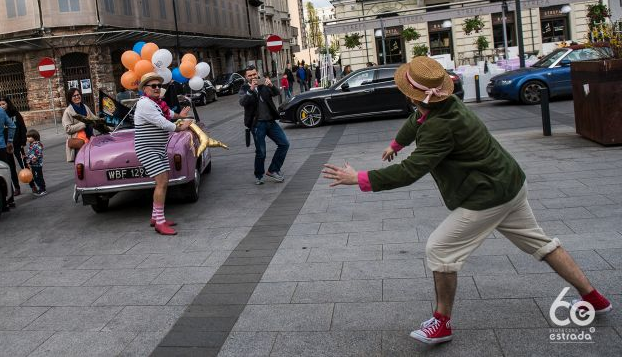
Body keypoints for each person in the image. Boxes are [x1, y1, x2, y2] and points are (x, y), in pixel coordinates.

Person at [322, 56, 612, 345]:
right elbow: (416, 120)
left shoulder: (441, 126)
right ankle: (595, 299)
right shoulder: (442, 105)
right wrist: (395, 144)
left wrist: (359, 178)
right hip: (510, 182)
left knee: (440, 250)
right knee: (541, 243)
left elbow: (410, 171)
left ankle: (442, 323)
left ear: (412, 95)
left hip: (488, 196)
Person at [134, 72, 193, 235]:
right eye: (153, 86)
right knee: (161, 182)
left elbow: (167, 114)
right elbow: (162, 122)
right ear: (144, 89)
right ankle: (160, 223)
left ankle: (156, 217)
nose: (157, 88)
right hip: (147, 148)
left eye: (159, 86)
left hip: (158, 148)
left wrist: (179, 116)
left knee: (164, 180)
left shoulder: (157, 103)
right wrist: (180, 126)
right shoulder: (145, 104)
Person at [239, 65, 290, 185]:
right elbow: (243, 102)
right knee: (261, 151)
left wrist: (271, 85)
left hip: (270, 121)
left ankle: (273, 169)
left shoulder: (264, 84)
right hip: (257, 124)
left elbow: (278, 93)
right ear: (246, 77)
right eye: (250, 75)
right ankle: (259, 175)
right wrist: (251, 90)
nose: (253, 77)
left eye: (254, 74)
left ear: (258, 73)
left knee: (284, 144)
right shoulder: (244, 88)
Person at [0, 96, 32, 193]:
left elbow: (22, 127)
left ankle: (32, 184)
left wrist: (23, 141)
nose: (1, 106)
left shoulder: (15, 113)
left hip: (17, 143)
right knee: (10, 167)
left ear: (8, 104)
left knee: (23, 164)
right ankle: (17, 188)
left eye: (3, 104)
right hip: (5, 145)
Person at [62, 88, 99, 162]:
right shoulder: (68, 111)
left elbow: (94, 118)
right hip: (79, 142)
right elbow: (68, 129)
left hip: (89, 139)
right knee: (81, 163)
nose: (77, 97)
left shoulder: (84, 107)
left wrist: (102, 121)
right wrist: (83, 124)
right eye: (74, 96)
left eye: (78, 95)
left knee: (90, 162)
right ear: (70, 98)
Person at [24, 129, 47, 196]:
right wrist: (26, 156)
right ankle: (40, 188)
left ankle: (43, 189)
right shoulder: (32, 145)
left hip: (37, 165)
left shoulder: (37, 145)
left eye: (29, 137)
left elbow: (39, 154)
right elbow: (31, 153)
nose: (28, 139)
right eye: (27, 137)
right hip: (33, 165)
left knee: (39, 177)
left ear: (35, 137)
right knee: (35, 177)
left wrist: (33, 160)